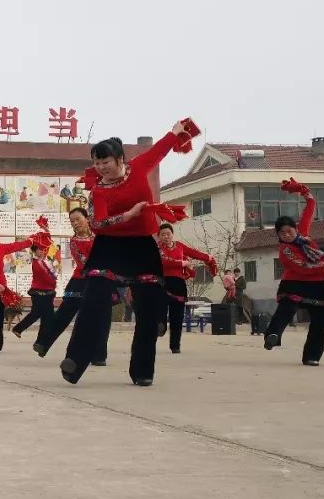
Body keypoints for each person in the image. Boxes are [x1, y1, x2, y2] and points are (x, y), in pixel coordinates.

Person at [60, 120, 191, 386]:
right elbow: (97, 224)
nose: (100, 168)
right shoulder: (99, 190)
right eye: (96, 163)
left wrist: (175, 132)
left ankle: (142, 371)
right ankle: (75, 360)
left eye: (105, 161)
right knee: (94, 299)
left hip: (142, 245)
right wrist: (129, 214)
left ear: (119, 159)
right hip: (109, 246)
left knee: (148, 306)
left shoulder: (140, 166)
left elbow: (162, 149)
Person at [262, 180, 324, 366]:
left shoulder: (304, 234)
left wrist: (306, 192)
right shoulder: (284, 250)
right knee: (286, 309)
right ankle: (273, 335)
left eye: (289, 231)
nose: (286, 235)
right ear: (278, 236)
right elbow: (301, 267)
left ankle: (312, 356)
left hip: (318, 285)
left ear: (295, 229)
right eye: (282, 233)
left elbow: (310, 209)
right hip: (295, 282)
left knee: (320, 321)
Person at [33, 207, 108, 365]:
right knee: (64, 312)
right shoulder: (74, 241)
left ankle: (99, 355)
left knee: (101, 317)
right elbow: (84, 262)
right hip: (81, 280)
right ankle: (44, 343)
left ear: (87, 219)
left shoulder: (101, 236)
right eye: (72, 221)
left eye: (78, 219)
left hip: (102, 280)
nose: (75, 223)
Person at [156, 223, 217, 354]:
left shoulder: (180, 246)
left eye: (168, 234)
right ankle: (160, 326)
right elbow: (163, 261)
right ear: (159, 237)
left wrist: (208, 258)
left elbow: (194, 253)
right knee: (160, 308)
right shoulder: (157, 248)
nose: (166, 236)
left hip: (178, 284)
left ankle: (175, 345)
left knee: (177, 316)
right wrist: (182, 263)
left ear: (172, 235)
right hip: (162, 282)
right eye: (162, 234)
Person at [11, 242, 57, 341]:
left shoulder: (44, 261)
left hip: (46, 291)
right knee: (45, 315)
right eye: (40, 249)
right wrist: (53, 282)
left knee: (40, 314)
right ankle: (41, 339)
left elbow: (51, 275)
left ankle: (20, 330)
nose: (43, 251)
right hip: (40, 291)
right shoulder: (37, 263)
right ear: (35, 251)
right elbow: (47, 277)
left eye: (44, 249)